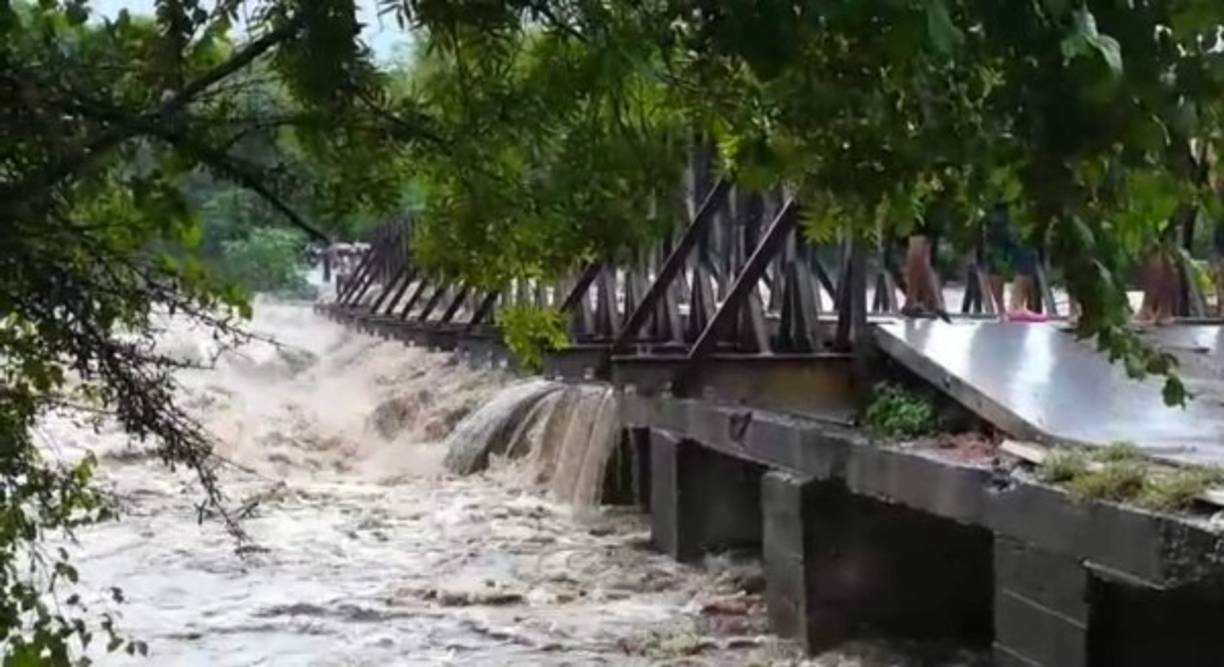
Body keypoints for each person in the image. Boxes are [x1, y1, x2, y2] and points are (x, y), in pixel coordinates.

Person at [983, 203, 1047, 322]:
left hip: (994, 201)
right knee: (1025, 251)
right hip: (1018, 205)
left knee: (997, 253)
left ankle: (1003, 310)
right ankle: (1015, 307)